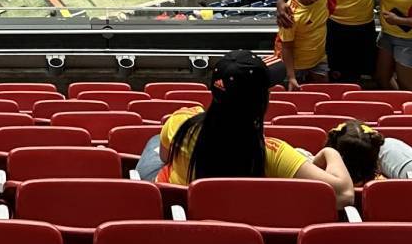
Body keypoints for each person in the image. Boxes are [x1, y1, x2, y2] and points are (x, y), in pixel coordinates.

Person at [146, 50, 354, 203]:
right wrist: (330, 151)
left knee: (154, 142)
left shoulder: (181, 121)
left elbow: (165, 158)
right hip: (237, 228)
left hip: (181, 214)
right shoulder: (273, 153)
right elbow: (344, 194)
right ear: (261, 100)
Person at [271, 0, 328, 90]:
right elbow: (287, 47)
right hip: (296, 67)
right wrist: (291, 77)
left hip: (319, 60)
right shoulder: (290, 14)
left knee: (323, 94)